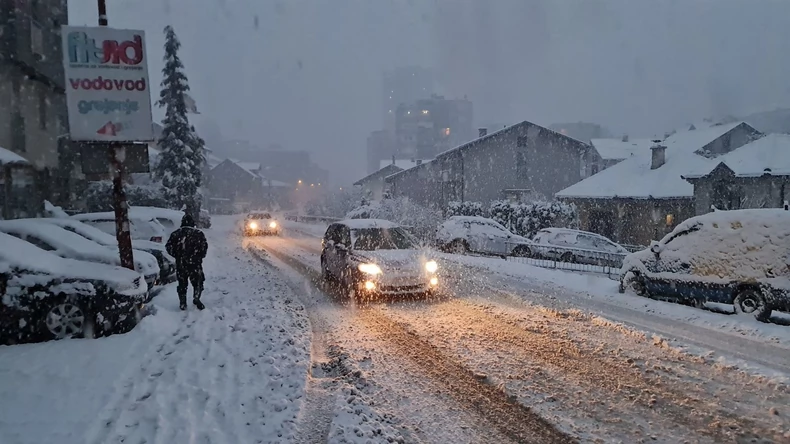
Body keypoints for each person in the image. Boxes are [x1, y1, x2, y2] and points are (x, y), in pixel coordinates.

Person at [166, 213, 208, 310]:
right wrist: (199, 256)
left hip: (181, 263)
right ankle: (196, 298)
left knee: (182, 283)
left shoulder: (176, 234)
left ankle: (182, 302)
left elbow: (168, 247)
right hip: (195, 264)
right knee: (198, 282)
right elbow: (204, 248)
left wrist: (177, 255)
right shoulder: (199, 234)